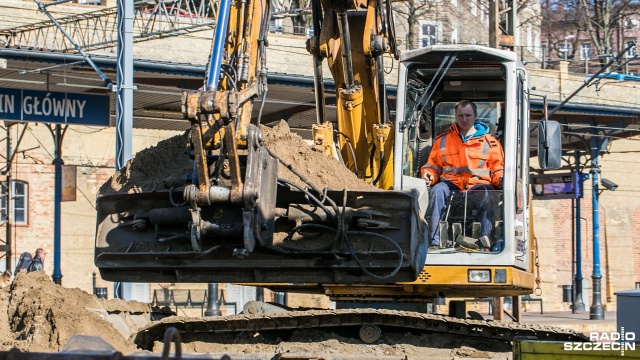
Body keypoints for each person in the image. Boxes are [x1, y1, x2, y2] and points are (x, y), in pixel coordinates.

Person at [420, 100, 504, 250]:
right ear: (455, 116)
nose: (464, 119)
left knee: (490, 194)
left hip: (477, 187)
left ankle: (486, 242)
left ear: (475, 116)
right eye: (461, 116)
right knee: (437, 191)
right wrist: (429, 175)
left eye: (468, 115)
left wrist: (501, 180)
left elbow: (498, 169)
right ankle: (434, 241)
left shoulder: (490, 143)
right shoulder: (443, 140)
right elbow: (433, 166)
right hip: (451, 186)